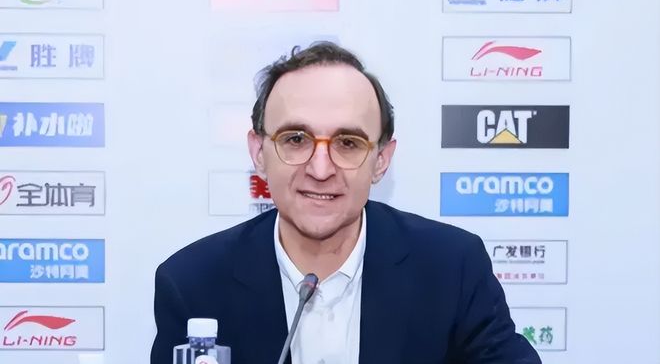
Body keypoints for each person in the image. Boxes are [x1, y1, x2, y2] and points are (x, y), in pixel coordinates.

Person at [150, 42, 541, 364]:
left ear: (381, 160)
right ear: (258, 153)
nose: (320, 169)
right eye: (296, 139)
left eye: (348, 143)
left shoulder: (452, 267)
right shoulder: (193, 283)